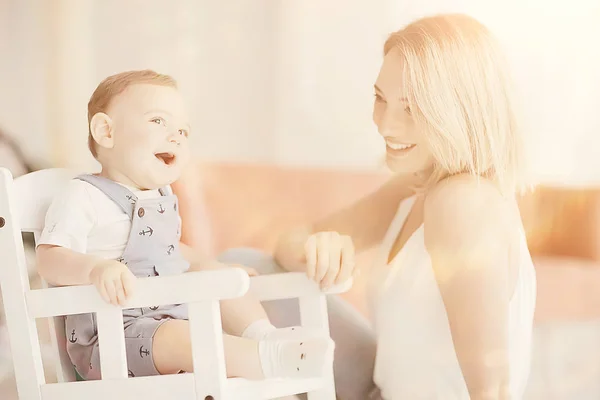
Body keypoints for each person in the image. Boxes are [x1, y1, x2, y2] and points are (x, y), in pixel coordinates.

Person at [176, 13, 537, 400]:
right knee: (245, 268)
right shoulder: (413, 190)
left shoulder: (463, 202)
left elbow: (493, 388)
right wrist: (314, 249)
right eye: (381, 99)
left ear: (461, 111)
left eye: (412, 108)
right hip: (378, 390)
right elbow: (288, 242)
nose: (385, 125)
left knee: (230, 283)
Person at [35, 70, 334, 381]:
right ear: (106, 131)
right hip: (113, 339)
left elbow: (171, 250)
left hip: (168, 319)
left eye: (184, 131)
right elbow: (49, 258)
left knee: (215, 281)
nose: (176, 135)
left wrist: (209, 264)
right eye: (158, 121)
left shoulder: (161, 197)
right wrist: (95, 270)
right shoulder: (85, 195)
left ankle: (265, 337)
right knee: (184, 336)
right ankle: (267, 362)